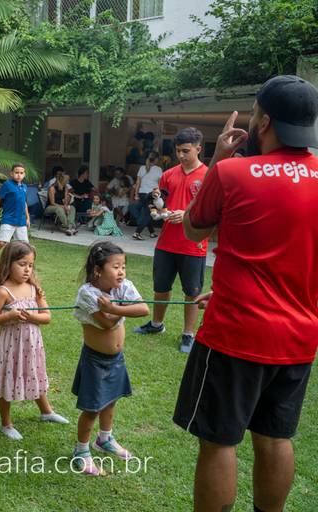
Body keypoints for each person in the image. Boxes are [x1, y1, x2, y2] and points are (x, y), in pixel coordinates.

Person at [175, 75, 318, 512]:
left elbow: (193, 228)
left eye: (255, 114)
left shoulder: (232, 172)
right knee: (276, 437)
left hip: (234, 335)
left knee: (219, 441)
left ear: (264, 121)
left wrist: (219, 157)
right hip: (299, 339)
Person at [71, 242, 149, 475]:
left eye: (123, 266)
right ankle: (81, 451)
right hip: (95, 360)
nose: (121, 272)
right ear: (98, 270)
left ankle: (104, 439)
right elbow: (105, 323)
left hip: (115, 359)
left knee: (111, 400)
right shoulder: (87, 293)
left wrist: (115, 308)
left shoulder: (123, 286)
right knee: (92, 408)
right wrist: (122, 308)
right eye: (116, 267)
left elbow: (143, 309)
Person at [0, 241, 69, 441]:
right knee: (6, 378)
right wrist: (8, 316)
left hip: (31, 345)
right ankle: (6, 423)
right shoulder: (3, 292)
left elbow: (47, 317)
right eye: (22, 264)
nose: (27, 269)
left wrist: (31, 317)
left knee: (34, 374)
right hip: (10, 346)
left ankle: (46, 411)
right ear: (8, 263)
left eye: (30, 265)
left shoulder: (34, 289)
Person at [133, 128, 209, 353]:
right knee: (161, 287)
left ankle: (188, 334)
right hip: (166, 243)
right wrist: (157, 209)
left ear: (198, 149)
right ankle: (157, 324)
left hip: (193, 245)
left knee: (192, 291)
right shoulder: (168, 174)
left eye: (186, 151)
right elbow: (160, 204)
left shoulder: (208, 176)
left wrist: (185, 215)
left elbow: (211, 212)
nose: (181, 155)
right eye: (178, 151)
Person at [0, 164, 30, 273]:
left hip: (21, 221)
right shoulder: (7, 185)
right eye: (16, 172)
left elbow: (24, 203)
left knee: (23, 247)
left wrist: (28, 218)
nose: (19, 175)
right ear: (11, 173)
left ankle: (7, 264)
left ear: (24, 174)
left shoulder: (24, 187)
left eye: (21, 173)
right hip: (8, 219)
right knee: (2, 243)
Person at [130, 151, 162, 240]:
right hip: (152, 195)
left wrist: (136, 194)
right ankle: (137, 232)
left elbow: (138, 182)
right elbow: (160, 184)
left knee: (147, 212)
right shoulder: (158, 169)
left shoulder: (142, 168)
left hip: (142, 194)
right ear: (156, 159)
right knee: (148, 214)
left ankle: (152, 232)